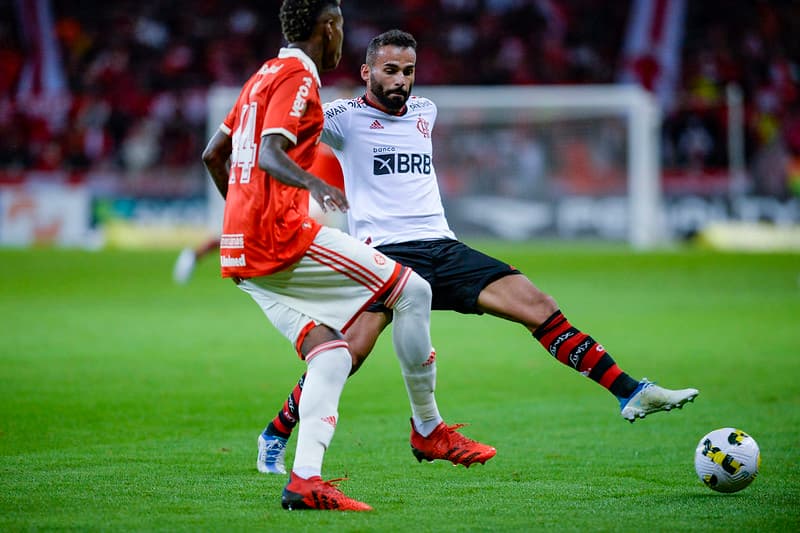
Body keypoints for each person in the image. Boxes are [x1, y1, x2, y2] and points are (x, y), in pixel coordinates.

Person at [256, 29, 700, 476]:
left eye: (408, 71)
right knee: (346, 354)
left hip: (442, 246)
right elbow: (286, 132)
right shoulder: (343, 118)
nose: (400, 81)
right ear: (367, 72)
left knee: (539, 306)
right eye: (390, 71)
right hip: (385, 256)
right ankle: (276, 433)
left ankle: (630, 391)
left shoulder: (425, 112)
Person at [202, 5, 495, 511]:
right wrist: (313, 185)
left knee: (333, 353)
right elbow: (271, 153)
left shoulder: (262, 75)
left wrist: (240, 215)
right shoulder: (298, 77)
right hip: (280, 237)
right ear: (330, 28)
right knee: (413, 289)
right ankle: (429, 428)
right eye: (339, 22)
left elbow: (213, 154)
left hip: (241, 250)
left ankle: (304, 482)